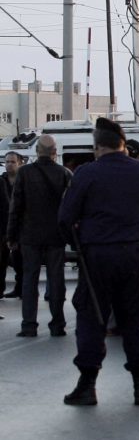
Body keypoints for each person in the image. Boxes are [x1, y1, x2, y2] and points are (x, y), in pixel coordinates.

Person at [59, 118, 139, 407]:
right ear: (123, 145)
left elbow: (65, 219)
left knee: (92, 318)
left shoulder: (88, 173)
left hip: (97, 256)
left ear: (97, 147)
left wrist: (76, 243)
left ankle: (87, 385)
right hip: (135, 256)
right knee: (134, 318)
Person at [7, 135, 73, 337]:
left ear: (37, 152)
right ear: (55, 152)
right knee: (56, 279)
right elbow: (71, 207)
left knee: (29, 280)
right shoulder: (64, 174)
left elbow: (16, 206)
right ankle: (57, 324)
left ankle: (29, 325)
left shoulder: (25, 173)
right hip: (55, 236)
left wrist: (11, 235)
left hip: (30, 235)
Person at [0, 152, 25, 299]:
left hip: (20, 227)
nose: (9, 164)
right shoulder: (2, 180)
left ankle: (20, 288)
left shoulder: (24, 180)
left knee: (19, 261)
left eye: (13, 162)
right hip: (3, 227)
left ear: (20, 163)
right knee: (2, 262)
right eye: (7, 161)